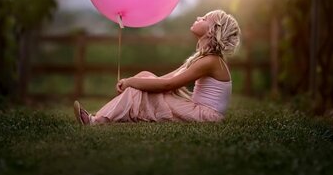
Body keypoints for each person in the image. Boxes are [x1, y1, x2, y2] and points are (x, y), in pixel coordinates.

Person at [73, 9, 241, 125]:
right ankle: (109, 115)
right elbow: (167, 79)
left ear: (212, 31)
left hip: (206, 116)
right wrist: (138, 80)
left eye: (204, 19)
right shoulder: (203, 58)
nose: (198, 18)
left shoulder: (210, 61)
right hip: (199, 109)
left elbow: (168, 85)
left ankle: (96, 121)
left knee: (137, 89)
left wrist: (132, 83)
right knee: (145, 77)